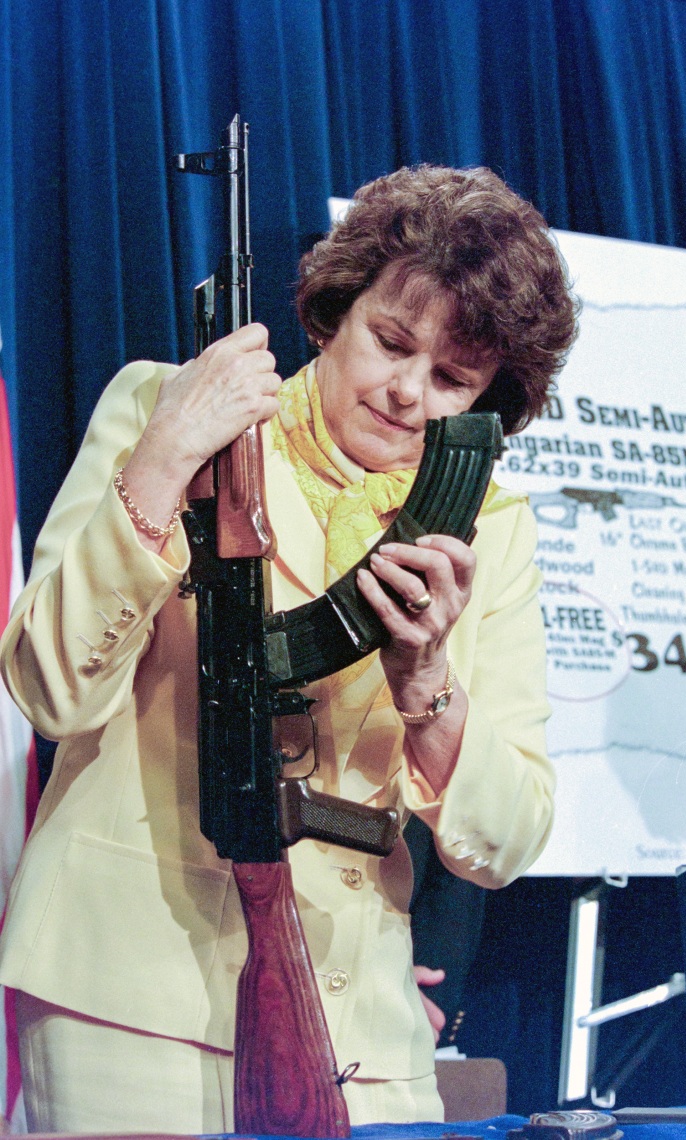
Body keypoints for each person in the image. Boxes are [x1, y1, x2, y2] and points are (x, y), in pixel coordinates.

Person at [0, 164, 577, 1133]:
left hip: (362, 1028)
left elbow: (507, 838)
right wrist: (163, 460)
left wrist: (427, 683)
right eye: (390, 342)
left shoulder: (494, 525)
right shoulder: (168, 409)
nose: (405, 392)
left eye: (451, 379)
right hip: (126, 999)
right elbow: (51, 690)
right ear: (333, 314)